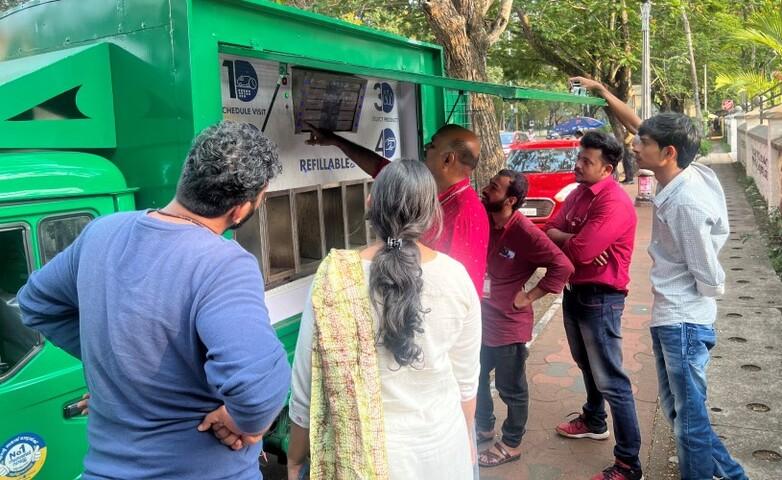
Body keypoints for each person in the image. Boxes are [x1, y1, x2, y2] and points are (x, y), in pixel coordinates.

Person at [18, 121, 291, 480]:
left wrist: (120, 368)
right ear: (240, 209)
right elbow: (258, 389)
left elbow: (35, 303)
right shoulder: (223, 262)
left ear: (186, 176)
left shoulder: (101, 233)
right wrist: (240, 420)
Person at [572, 75, 749, 480]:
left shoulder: (684, 202)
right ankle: (735, 475)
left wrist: (702, 299)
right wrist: (605, 93)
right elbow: (641, 125)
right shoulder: (687, 171)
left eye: (642, 144)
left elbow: (706, 270)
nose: (633, 145)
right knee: (680, 415)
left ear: (667, 153)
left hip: (684, 320)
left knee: (688, 422)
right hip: (674, 316)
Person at [286, 159, 481, 480]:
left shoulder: (334, 276)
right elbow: (466, 383)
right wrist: (467, 442)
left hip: (359, 461)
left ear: (370, 203)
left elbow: (304, 386)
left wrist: (295, 458)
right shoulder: (455, 277)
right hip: (442, 452)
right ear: (432, 213)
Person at [544, 131, 643, 480]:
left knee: (612, 380)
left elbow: (582, 251)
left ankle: (629, 463)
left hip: (602, 298)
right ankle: (593, 418)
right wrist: (575, 239)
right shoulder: (579, 194)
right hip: (575, 291)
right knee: (584, 362)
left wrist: (575, 243)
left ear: (608, 169)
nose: (578, 164)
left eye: (587, 161)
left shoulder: (613, 202)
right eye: (580, 157)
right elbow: (549, 230)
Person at [306, 123, 489, 297]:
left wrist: (378, 249)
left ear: (448, 159)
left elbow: (463, 289)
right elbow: (381, 168)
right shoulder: (427, 191)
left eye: (432, 145)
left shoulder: (466, 214)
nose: (425, 148)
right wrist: (337, 141)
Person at [475, 170, 574, 467]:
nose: (485, 190)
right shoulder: (486, 221)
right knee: (475, 377)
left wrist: (529, 296)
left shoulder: (525, 232)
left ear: (511, 199)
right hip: (481, 322)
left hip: (508, 326)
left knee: (511, 388)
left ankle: (511, 443)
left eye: (493, 188)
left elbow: (563, 266)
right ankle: (483, 425)